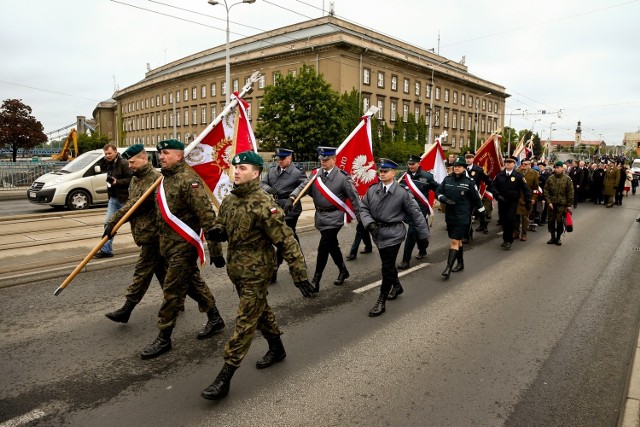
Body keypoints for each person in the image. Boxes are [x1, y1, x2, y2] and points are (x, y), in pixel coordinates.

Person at [201, 150, 314, 400]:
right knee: (260, 310)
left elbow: (287, 241)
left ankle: (225, 375)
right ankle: (277, 348)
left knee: (245, 320)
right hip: (237, 270)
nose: (237, 172)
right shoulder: (230, 200)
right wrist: (217, 242)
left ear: (256, 173)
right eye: (235, 168)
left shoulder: (264, 203)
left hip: (257, 272)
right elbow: (220, 225)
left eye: (243, 169)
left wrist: (299, 274)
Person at [141, 139, 226, 360]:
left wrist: (215, 251)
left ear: (179, 156)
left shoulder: (189, 182)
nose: (161, 157)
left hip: (184, 248)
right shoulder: (164, 180)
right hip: (166, 247)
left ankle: (164, 336)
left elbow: (208, 217)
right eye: (160, 154)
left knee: (172, 291)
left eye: (166, 153)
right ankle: (215, 318)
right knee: (193, 286)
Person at [102, 144, 166, 323]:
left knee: (142, 272)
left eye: (132, 162)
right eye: (128, 162)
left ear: (144, 159)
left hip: (153, 235)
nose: (129, 166)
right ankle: (176, 299)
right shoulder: (136, 178)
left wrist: (113, 221)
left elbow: (133, 206)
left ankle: (127, 309)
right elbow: (131, 204)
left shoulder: (155, 179)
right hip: (143, 232)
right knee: (162, 271)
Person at [359, 158, 428, 316]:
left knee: (386, 267)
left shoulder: (402, 192)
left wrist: (423, 236)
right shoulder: (373, 189)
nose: (382, 174)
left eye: (385, 171)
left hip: (394, 233)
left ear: (393, 173)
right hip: (377, 233)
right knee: (388, 265)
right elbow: (363, 208)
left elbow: (416, 214)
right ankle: (397, 286)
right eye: (380, 171)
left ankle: (381, 301)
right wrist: (369, 223)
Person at [287, 146, 361, 292]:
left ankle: (316, 279)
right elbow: (303, 186)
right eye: (321, 159)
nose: (322, 162)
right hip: (320, 216)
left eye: (326, 160)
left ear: (334, 159)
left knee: (323, 247)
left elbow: (355, 200)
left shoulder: (343, 178)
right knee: (332, 245)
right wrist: (292, 197)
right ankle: (343, 271)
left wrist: (362, 219)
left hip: (335, 217)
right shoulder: (315, 174)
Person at [261, 148, 306, 283]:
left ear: (289, 158)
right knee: (290, 236)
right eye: (278, 159)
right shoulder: (273, 171)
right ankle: (300, 259)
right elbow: (262, 183)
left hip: (290, 209)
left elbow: (305, 187)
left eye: (282, 159)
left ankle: (274, 269)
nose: (279, 161)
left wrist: (292, 198)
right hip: (275, 208)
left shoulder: (297, 172)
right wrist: (269, 189)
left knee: (283, 237)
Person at [436, 156, 485, 278]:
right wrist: (444, 199)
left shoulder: (469, 182)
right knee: (457, 240)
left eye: (460, 166)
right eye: (455, 166)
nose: (457, 168)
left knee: (454, 241)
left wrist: (482, 213)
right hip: (450, 214)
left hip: (463, 215)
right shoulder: (447, 180)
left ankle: (448, 268)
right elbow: (438, 192)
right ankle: (461, 263)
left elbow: (476, 198)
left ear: (464, 168)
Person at [397, 154, 437, 270]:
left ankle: (405, 261)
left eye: (413, 164)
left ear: (418, 163)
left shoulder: (427, 176)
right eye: (409, 164)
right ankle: (423, 247)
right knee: (421, 231)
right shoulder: (403, 177)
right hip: (406, 209)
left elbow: (437, 188)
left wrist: (442, 196)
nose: (410, 166)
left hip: (420, 210)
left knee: (411, 233)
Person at [95, 144, 133, 258]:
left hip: (125, 199)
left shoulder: (124, 163)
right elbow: (98, 166)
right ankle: (106, 250)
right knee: (108, 223)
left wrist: (117, 182)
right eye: (105, 154)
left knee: (137, 224)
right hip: (113, 198)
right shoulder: (108, 163)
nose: (107, 156)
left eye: (110, 153)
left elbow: (131, 179)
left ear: (116, 152)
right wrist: (104, 159)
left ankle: (150, 247)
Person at [493, 156, 531, 249]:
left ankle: (508, 240)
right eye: (506, 162)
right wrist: (497, 195)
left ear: (514, 164)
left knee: (510, 220)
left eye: (510, 162)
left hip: (512, 202)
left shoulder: (518, 176)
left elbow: (526, 190)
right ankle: (505, 238)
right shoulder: (500, 175)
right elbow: (493, 187)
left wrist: (527, 202)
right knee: (503, 221)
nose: (508, 163)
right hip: (502, 202)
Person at [464, 151, 496, 234]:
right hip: (464, 195)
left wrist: (491, 189)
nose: (468, 160)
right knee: (467, 213)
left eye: (470, 158)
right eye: (467, 158)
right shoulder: (462, 169)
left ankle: (483, 225)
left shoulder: (478, 170)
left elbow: (488, 180)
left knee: (481, 211)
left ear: (473, 159)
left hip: (475, 194)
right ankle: (468, 232)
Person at [544, 160, 574, 246]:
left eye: (558, 168)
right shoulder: (550, 178)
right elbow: (546, 191)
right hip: (552, 204)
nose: (556, 169)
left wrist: (569, 205)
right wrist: (548, 202)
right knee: (551, 221)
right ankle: (552, 237)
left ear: (562, 168)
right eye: (555, 168)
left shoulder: (567, 179)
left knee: (559, 221)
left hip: (562, 204)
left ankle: (558, 238)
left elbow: (570, 193)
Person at [514, 159, 539, 241]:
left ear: (529, 165)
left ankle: (524, 234)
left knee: (525, 217)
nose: (523, 165)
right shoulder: (517, 172)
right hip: (517, 198)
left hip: (527, 198)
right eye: (522, 164)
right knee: (516, 216)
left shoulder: (534, 173)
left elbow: (536, 188)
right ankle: (516, 232)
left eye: (525, 164)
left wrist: (533, 198)